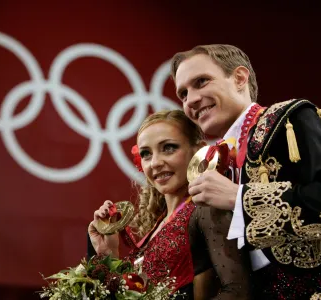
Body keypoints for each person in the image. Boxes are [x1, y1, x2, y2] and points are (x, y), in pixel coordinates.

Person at [170, 44, 321, 299]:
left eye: (201, 82)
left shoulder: (289, 120)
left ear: (239, 78)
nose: (190, 100)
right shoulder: (215, 163)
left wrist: (240, 198)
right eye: (182, 94)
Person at [88, 110, 251, 299]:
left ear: (198, 150)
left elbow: (239, 291)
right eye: (146, 154)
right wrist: (108, 255)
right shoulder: (157, 225)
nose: (155, 162)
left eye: (169, 148)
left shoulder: (206, 209)